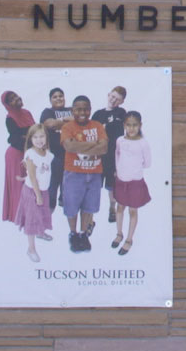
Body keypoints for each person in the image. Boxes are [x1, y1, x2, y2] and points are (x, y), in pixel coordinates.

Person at [58, 94, 108, 252]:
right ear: (73, 110)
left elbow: (104, 148)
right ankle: (73, 234)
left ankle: (83, 234)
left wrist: (79, 144)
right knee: (71, 207)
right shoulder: (68, 127)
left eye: (86, 109)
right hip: (74, 173)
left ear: (90, 110)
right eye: (78, 109)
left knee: (89, 207)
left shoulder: (98, 126)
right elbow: (69, 147)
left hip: (94, 173)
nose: (82, 112)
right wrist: (94, 144)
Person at [110, 110, 152, 257]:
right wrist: (118, 171)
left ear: (140, 125)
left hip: (135, 183)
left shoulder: (143, 143)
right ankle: (119, 233)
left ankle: (129, 239)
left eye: (135, 125)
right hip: (121, 180)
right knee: (120, 208)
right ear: (124, 125)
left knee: (132, 211)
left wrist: (133, 169)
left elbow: (147, 163)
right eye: (128, 125)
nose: (131, 128)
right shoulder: (120, 140)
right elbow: (117, 155)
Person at [14, 124, 56, 261]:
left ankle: (41, 232)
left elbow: (40, 173)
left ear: (46, 137)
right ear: (31, 139)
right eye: (35, 137)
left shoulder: (48, 154)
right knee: (32, 217)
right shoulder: (31, 154)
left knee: (43, 213)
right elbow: (32, 176)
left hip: (43, 190)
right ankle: (31, 249)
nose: (39, 140)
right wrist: (37, 195)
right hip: (33, 192)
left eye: (42, 136)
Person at [93, 86, 128, 225]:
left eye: (117, 99)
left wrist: (105, 127)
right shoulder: (97, 114)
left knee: (111, 185)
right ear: (108, 95)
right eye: (112, 97)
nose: (113, 100)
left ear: (122, 102)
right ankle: (90, 218)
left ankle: (112, 208)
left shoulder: (121, 112)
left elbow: (119, 128)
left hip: (114, 155)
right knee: (95, 185)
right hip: (98, 155)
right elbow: (92, 131)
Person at [0, 91, 33, 223]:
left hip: (29, 153)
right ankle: (19, 216)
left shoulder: (27, 113)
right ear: (8, 105)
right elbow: (16, 139)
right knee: (19, 186)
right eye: (11, 99)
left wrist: (28, 138)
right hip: (16, 156)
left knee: (30, 185)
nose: (16, 99)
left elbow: (34, 132)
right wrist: (29, 138)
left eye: (15, 96)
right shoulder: (10, 118)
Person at [37, 87, 68, 211]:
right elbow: (50, 124)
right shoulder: (47, 111)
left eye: (61, 95)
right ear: (50, 100)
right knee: (52, 186)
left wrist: (58, 122)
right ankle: (48, 213)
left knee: (67, 186)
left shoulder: (71, 110)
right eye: (55, 97)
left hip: (71, 154)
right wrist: (67, 122)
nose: (58, 98)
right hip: (53, 155)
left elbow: (78, 121)